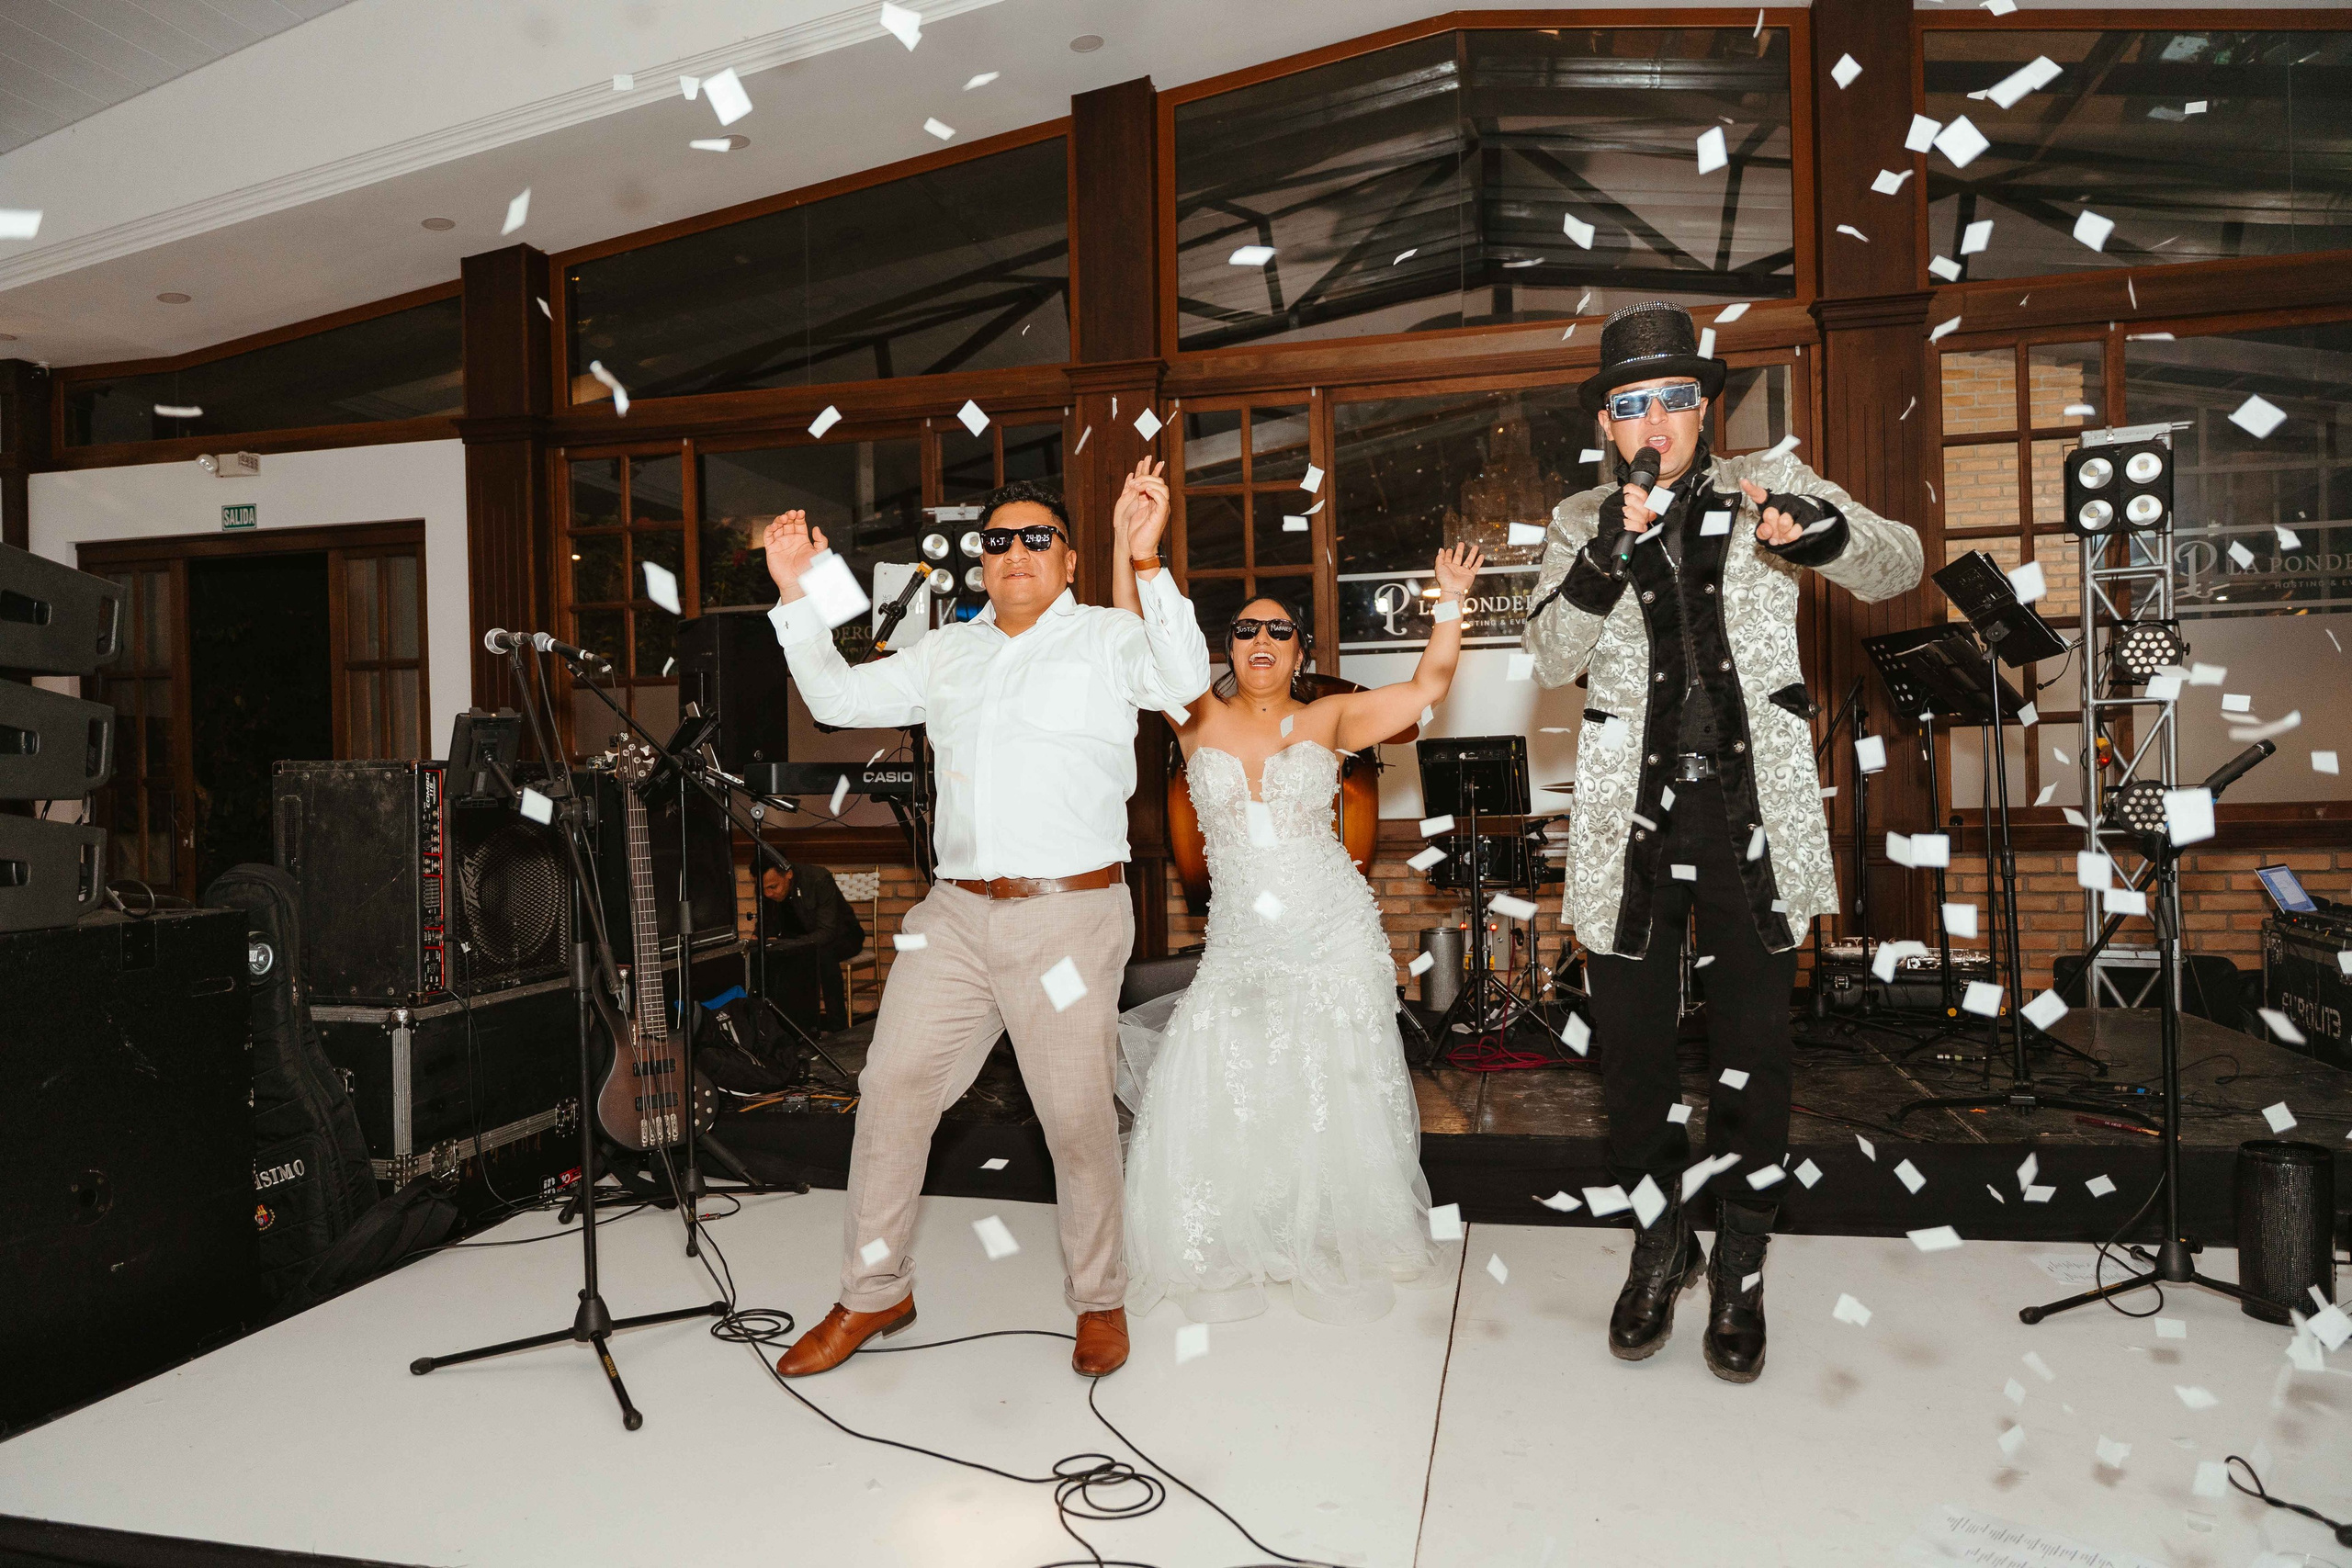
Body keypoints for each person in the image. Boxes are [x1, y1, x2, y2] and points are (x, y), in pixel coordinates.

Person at [1522, 300, 1921, 1382]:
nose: (1650, 421)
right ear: (1607, 424)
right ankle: (1662, 1239)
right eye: (1628, 405)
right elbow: (1551, 655)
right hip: (1629, 823)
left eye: (1671, 399)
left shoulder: (1770, 484)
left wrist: (1819, 531)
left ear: (1705, 409)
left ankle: (1741, 1257)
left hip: (1752, 811)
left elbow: (1901, 563)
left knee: (1755, 1058)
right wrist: (1607, 554)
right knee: (1634, 1061)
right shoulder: (1576, 517)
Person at [760, 461, 1206, 1380]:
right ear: (981, 562)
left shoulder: (1109, 638)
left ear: (1070, 558)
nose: (1013, 552)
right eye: (997, 540)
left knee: (1074, 1118)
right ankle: (873, 1293)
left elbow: (1183, 678)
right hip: (954, 916)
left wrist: (1148, 557)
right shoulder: (949, 650)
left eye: (1034, 537)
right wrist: (798, 596)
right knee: (890, 1093)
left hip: (1070, 918)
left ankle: (1100, 1298)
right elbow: (837, 700)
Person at [1109, 544, 1482, 1325]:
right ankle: (1248, 1227)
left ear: (1300, 650)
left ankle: (1329, 1226)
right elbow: (1129, 637)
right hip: (1241, 936)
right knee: (1231, 1071)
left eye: (1278, 631)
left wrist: (1448, 599)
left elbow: (1427, 686)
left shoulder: (1330, 717)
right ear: (1227, 647)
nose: (1262, 643)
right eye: (1246, 631)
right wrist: (1128, 546)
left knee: (1327, 1083)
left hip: (1330, 930)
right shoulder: (1194, 718)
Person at [755, 859, 865, 1032]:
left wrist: (793, 946)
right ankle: (784, 1027)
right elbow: (764, 925)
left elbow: (828, 931)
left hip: (843, 937)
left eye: (773, 887)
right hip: (800, 941)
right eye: (764, 889)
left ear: (788, 874)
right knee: (769, 956)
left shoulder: (818, 879)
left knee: (823, 954)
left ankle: (838, 1028)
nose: (768, 894)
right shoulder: (767, 889)